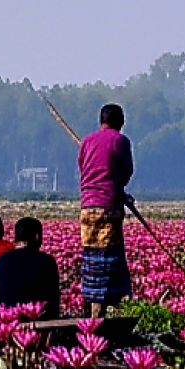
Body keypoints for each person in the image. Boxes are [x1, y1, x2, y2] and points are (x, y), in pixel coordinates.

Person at [78, 103, 134, 318]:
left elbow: (85, 170)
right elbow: (126, 171)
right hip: (109, 208)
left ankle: (92, 312)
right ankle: (105, 315)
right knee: (110, 260)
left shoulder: (87, 142)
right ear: (120, 122)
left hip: (87, 208)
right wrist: (119, 190)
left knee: (92, 257)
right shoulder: (121, 141)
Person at [0, 217, 61, 320]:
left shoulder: (1, 261)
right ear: (37, 237)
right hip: (40, 322)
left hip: (8, 321)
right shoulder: (47, 261)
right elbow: (54, 300)